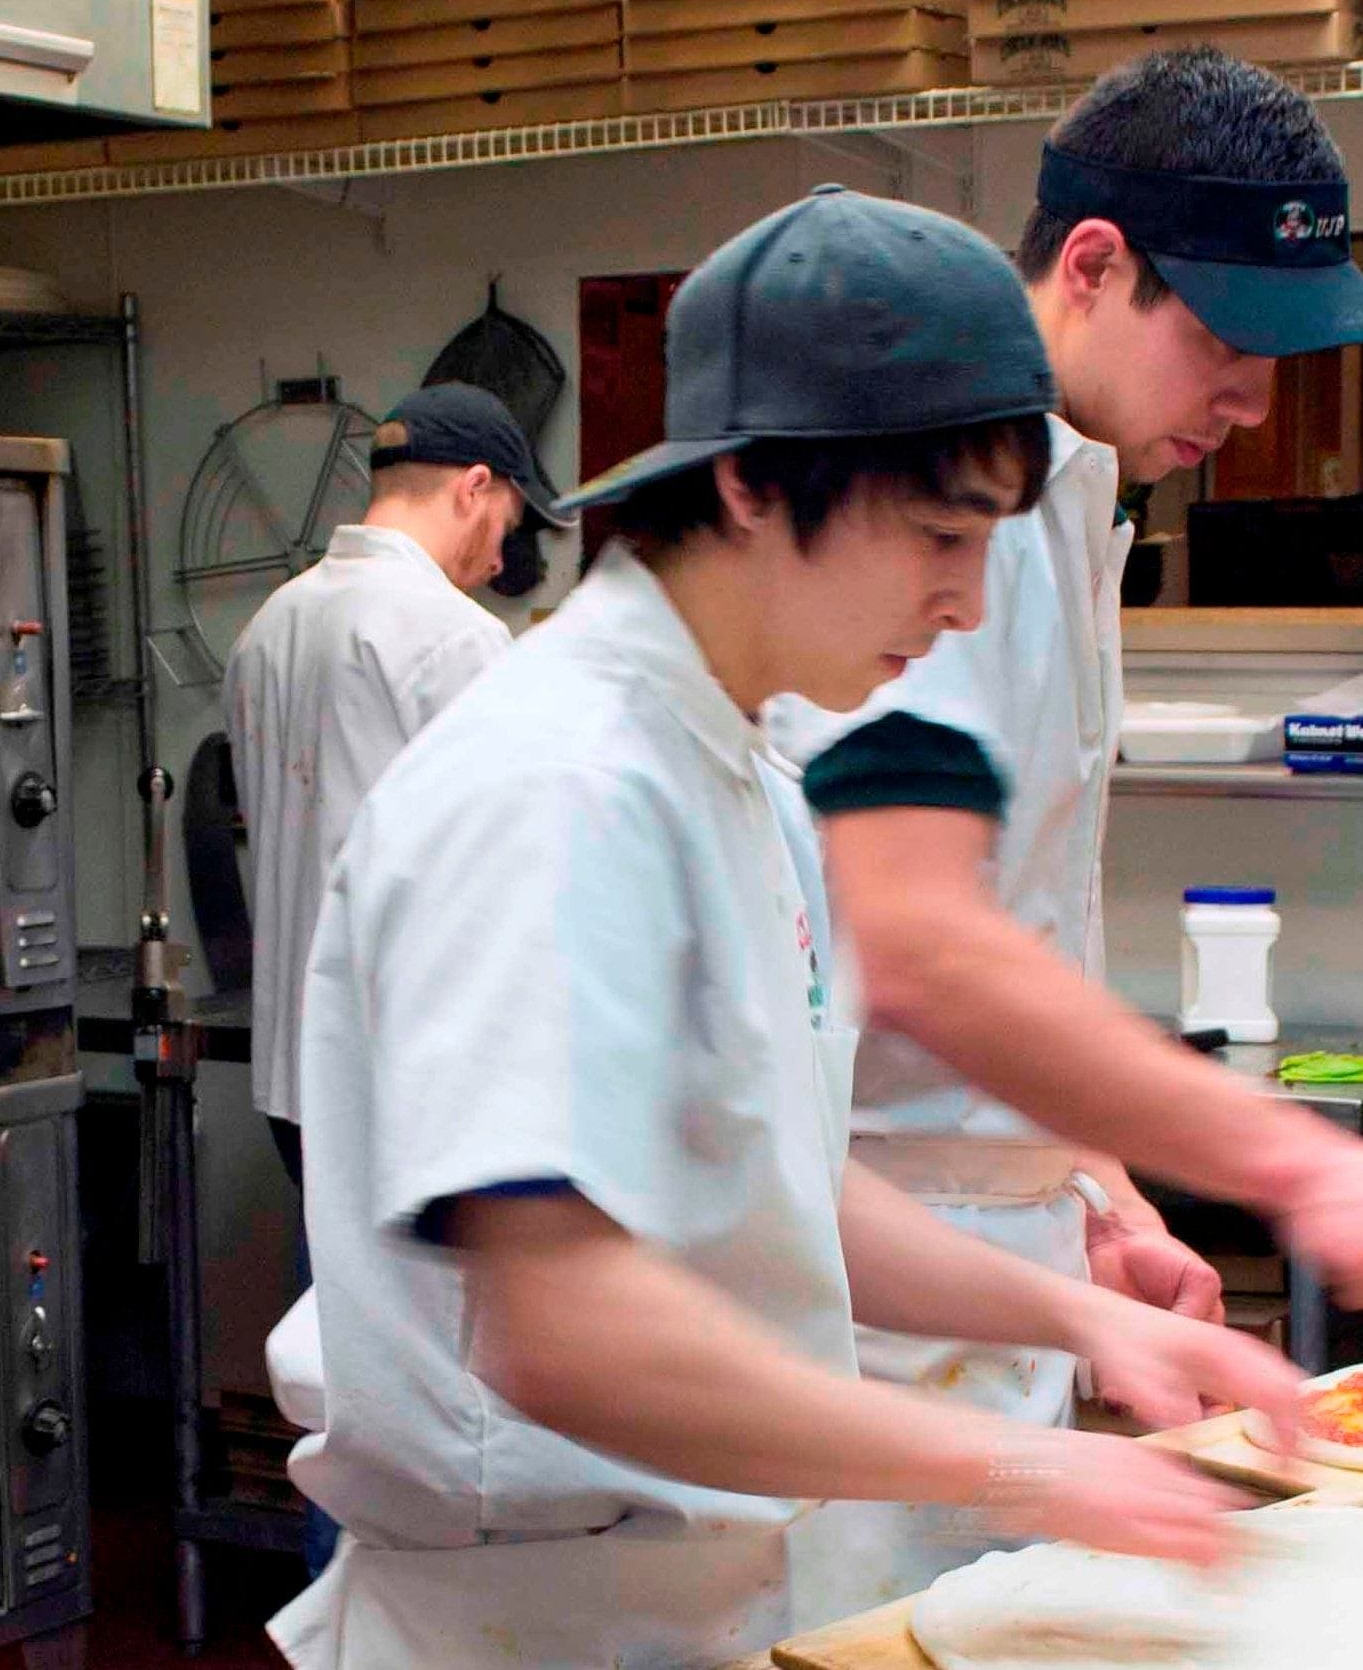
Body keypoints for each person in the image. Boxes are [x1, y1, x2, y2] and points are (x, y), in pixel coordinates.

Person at [265, 186, 1304, 1670]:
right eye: (938, 534)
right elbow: (562, 1326)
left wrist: (1081, 1319)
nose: (961, 603)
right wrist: (1017, 1465)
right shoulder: (559, 781)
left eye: (990, 541)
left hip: (696, 1600)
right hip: (527, 1620)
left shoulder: (741, 762)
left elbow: (776, 1181)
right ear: (750, 485)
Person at [774, 47, 1363, 1612]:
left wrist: (1097, 1187)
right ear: (1092, 266)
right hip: (848, 1286)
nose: (1258, 399)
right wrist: (1300, 1167)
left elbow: (1015, 917)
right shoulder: (946, 507)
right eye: (1226, 337)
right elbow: (914, 938)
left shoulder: (1075, 504)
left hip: (963, 1262)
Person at [225, 380, 566, 1573]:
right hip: (416, 1072)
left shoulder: (271, 624)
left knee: (344, 1368)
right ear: (477, 488)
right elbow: (511, 863)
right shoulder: (455, 640)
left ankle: (342, 1628)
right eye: (510, 521)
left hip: (296, 1072)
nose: (503, 553)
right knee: (424, 1398)